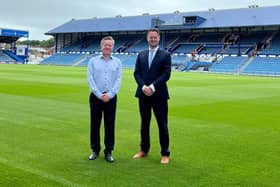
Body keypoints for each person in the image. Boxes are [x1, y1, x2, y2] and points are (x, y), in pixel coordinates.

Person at [133, 28, 171, 164]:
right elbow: (136, 73)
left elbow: (166, 74)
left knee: (162, 124)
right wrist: (143, 87)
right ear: (147, 38)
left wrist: (152, 87)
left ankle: (165, 153)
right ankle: (143, 149)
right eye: (151, 37)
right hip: (143, 95)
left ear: (159, 38)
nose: (153, 39)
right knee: (144, 124)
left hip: (159, 95)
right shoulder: (141, 54)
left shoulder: (165, 55)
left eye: (155, 37)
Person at [87, 36, 122, 163]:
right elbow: (90, 79)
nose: (107, 47)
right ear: (101, 46)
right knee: (95, 124)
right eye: (105, 45)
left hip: (111, 98)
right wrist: (98, 94)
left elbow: (118, 80)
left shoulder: (117, 62)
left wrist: (110, 94)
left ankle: (109, 151)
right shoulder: (93, 61)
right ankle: (95, 150)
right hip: (96, 97)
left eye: (110, 45)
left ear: (113, 46)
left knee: (110, 125)